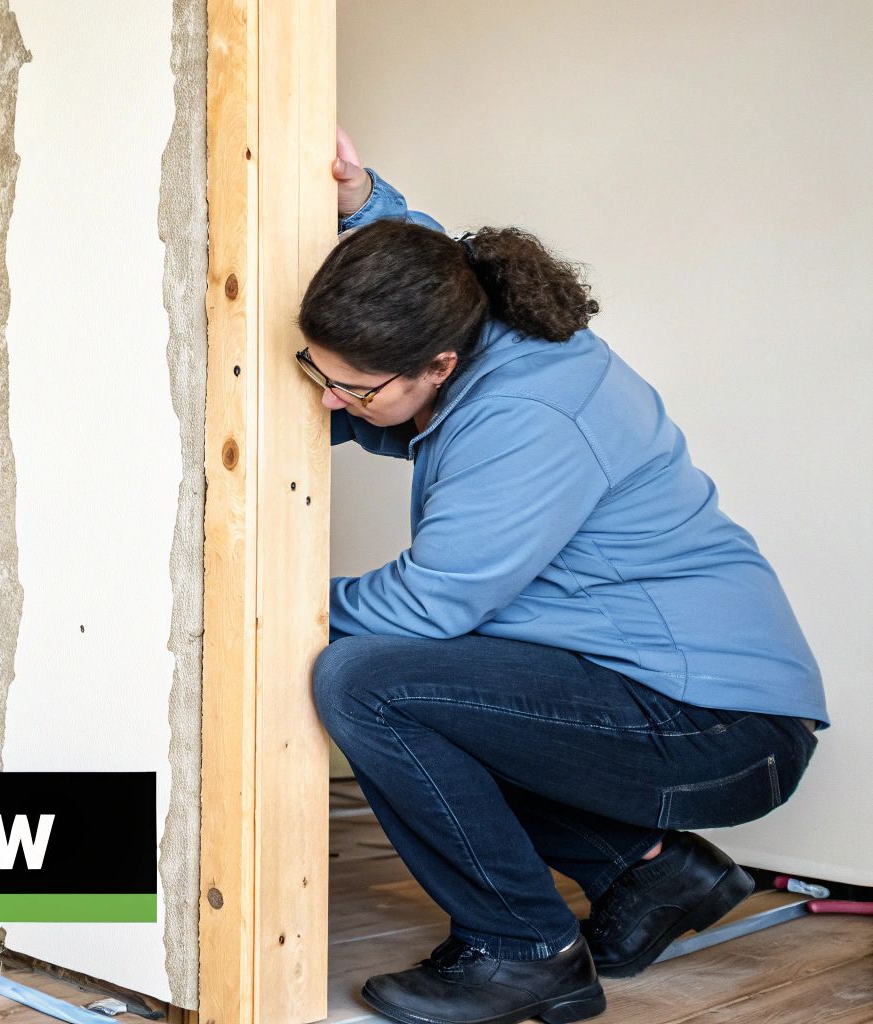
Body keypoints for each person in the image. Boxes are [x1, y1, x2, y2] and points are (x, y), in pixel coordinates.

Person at [307, 132, 826, 1024]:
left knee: (367, 681)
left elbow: (429, 605)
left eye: (356, 389)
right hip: (660, 693)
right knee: (437, 690)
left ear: (440, 366)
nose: (330, 399)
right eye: (319, 373)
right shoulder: (476, 321)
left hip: (723, 727)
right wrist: (363, 204)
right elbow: (433, 267)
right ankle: (647, 872)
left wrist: (281, 608)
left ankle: (522, 952)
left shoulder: (528, 411)